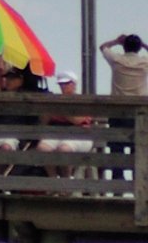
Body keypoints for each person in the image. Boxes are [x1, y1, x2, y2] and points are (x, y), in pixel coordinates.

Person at [100, 33, 147, 177]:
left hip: (118, 112)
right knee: (138, 149)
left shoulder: (116, 60)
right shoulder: (144, 62)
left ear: (124, 47)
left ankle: (117, 184)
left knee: (116, 148)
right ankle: (137, 184)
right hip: (138, 113)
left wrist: (116, 41)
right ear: (138, 48)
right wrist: (144, 44)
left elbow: (103, 47)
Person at [37, 72, 94, 180]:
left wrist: (63, 111)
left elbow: (78, 121)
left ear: (74, 84)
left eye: (66, 84)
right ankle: (53, 180)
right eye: (61, 84)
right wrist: (46, 109)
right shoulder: (55, 101)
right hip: (57, 133)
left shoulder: (82, 100)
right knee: (43, 148)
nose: (63, 87)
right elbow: (44, 122)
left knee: (64, 149)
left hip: (79, 135)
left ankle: (66, 180)